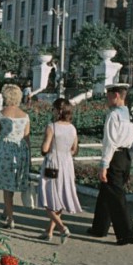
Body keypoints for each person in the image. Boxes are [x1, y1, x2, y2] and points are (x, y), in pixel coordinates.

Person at [87, 83, 133, 245]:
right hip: (125, 157)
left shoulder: (114, 115)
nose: (106, 99)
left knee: (116, 196)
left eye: (108, 96)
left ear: (116, 95)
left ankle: (127, 234)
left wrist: (104, 165)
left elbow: (109, 142)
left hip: (114, 157)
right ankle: (99, 227)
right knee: (106, 193)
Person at [0, 84, 30, 229]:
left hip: (5, 151)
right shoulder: (25, 116)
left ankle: (10, 218)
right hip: (20, 152)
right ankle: (6, 210)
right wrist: (29, 157)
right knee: (12, 183)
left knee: (6, 186)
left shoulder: (1, 115)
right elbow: (27, 138)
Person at [37, 98, 82, 243]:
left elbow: (45, 148)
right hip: (67, 164)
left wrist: (46, 149)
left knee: (47, 198)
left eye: (54, 109)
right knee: (60, 197)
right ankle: (49, 231)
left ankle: (62, 228)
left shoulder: (52, 127)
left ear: (59, 111)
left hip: (52, 164)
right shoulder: (72, 128)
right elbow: (74, 149)